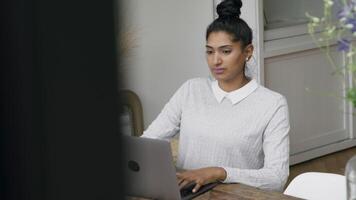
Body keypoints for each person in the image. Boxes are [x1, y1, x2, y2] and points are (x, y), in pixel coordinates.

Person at [142, 0, 290, 193]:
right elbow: (149, 141)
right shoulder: (191, 90)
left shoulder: (272, 104)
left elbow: (276, 177)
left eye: (226, 51)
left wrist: (219, 173)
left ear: (248, 51)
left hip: (236, 197)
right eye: (209, 52)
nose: (215, 60)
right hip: (187, 194)